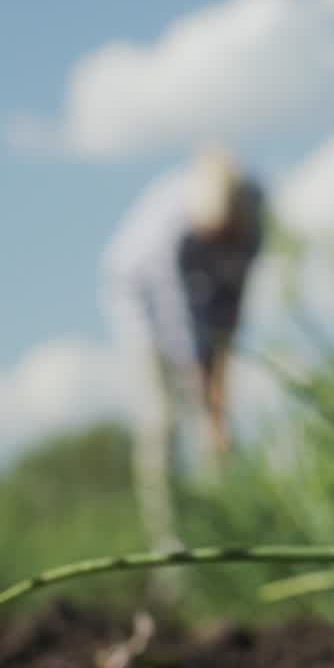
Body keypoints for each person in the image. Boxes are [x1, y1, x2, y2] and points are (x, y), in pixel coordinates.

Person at [101, 146, 265, 564]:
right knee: (164, 419)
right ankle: (169, 544)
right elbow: (177, 323)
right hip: (141, 301)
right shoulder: (168, 232)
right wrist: (201, 384)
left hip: (202, 302)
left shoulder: (255, 214)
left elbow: (233, 304)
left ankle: (223, 531)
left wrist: (219, 394)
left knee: (215, 425)